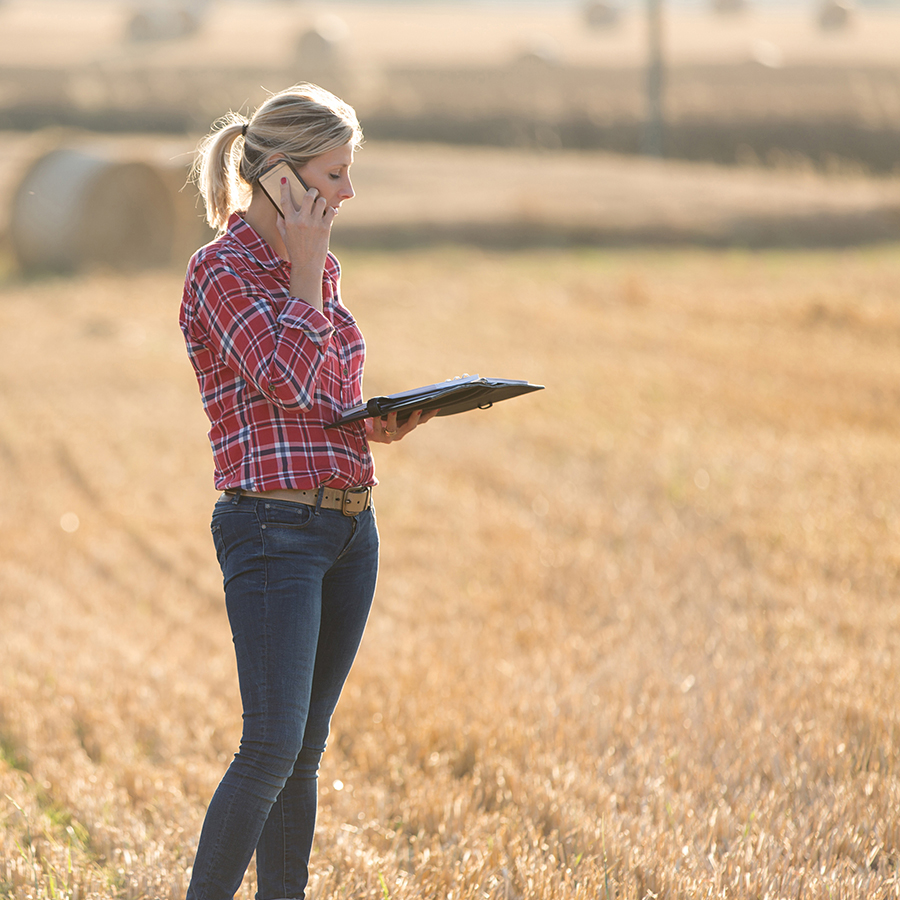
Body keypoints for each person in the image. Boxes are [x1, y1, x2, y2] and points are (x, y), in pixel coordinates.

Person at [179, 83, 435, 900]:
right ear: (285, 179)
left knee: (305, 750)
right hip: (271, 533)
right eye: (335, 173)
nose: (348, 192)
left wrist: (371, 423)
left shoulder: (311, 270)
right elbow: (284, 376)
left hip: (350, 529)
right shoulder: (221, 271)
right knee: (270, 748)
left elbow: (322, 395)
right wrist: (303, 269)